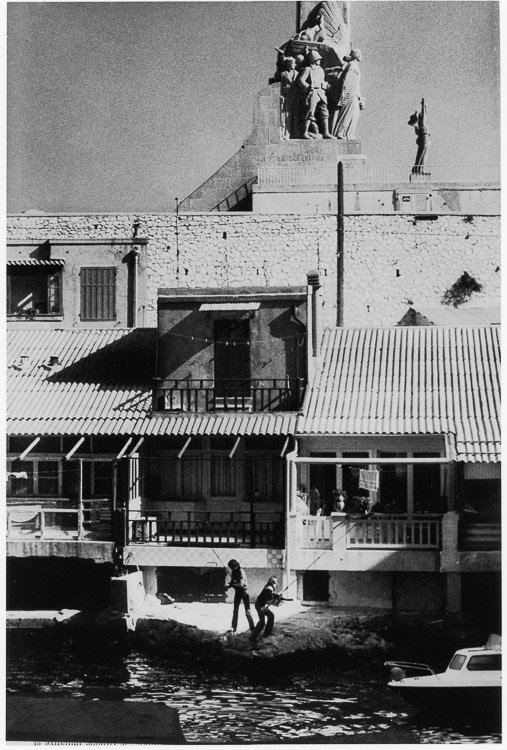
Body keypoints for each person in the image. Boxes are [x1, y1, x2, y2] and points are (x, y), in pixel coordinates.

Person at [297, 50, 336, 140]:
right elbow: (301, 80)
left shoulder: (321, 70)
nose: (320, 61)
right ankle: (304, 132)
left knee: (324, 112)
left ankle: (326, 133)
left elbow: (322, 81)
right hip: (313, 91)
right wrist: (308, 87)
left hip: (322, 92)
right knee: (310, 112)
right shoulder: (308, 69)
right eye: (318, 59)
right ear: (314, 60)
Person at [331, 49, 364, 139]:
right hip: (350, 93)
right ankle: (341, 133)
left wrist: (360, 96)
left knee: (354, 114)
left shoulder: (354, 65)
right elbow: (345, 79)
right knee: (348, 113)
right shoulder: (352, 65)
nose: (361, 55)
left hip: (355, 92)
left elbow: (357, 83)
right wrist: (343, 93)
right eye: (359, 53)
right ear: (356, 55)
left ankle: (349, 133)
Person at [225, 559, 255, 634]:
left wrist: (231, 585)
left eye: (232, 567)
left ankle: (252, 628)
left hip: (244, 592)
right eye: (231, 568)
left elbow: (241, 585)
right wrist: (228, 585)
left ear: (236, 566)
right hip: (238, 592)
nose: (232, 569)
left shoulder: (241, 572)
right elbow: (232, 582)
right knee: (235, 611)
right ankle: (233, 627)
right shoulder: (233, 572)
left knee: (247, 611)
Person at [250, 576, 279, 640]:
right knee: (262, 622)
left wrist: (276, 595)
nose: (277, 583)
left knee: (271, 616)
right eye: (276, 582)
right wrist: (277, 596)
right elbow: (269, 599)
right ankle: (253, 638)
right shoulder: (269, 588)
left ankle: (267, 633)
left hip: (261, 605)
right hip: (260, 606)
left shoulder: (269, 586)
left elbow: (269, 595)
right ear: (273, 582)